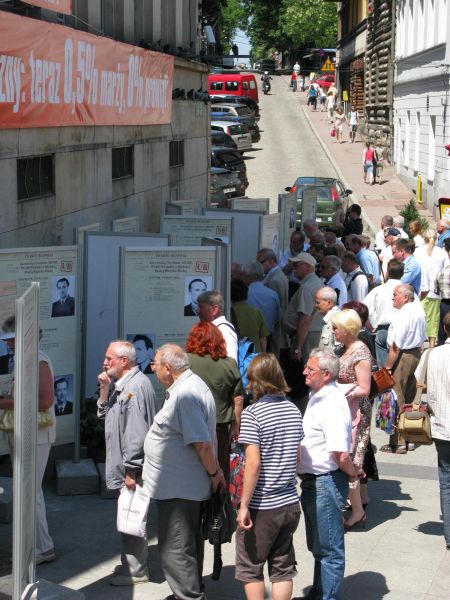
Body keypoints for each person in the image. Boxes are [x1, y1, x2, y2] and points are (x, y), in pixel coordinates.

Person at [143, 344, 224, 600]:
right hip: (180, 487)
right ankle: (189, 592)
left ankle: (189, 596)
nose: (153, 369)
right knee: (187, 545)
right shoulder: (188, 387)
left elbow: (202, 443)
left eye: (155, 364)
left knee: (176, 549)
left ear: (168, 368)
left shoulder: (186, 394)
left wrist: (214, 473)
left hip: (179, 490)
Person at [236, 354, 303, 600]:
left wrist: (244, 505)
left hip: (262, 505)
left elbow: (253, 463)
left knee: (250, 567)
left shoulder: (253, 414)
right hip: (289, 501)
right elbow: (297, 457)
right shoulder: (293, 409)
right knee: (282, 567)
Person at [298, 349, 358, 600]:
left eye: (310, 369)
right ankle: (319, 592)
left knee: (330, 550)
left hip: (326, 482)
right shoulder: (318, 395)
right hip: (314, 482)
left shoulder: (331, 402)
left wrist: (353, 474)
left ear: (326, 374)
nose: (304, 371)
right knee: (319, 548)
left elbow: (340, 454)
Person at [97, 340, 156, 585]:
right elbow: (105, 415)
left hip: (132, 469)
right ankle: (131, 565)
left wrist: (132, 470)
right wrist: (104, 390)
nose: (105, 362)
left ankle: (135, 571)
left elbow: (135, 434)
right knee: (128, 515)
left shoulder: (134, 388)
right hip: (128, 466)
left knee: (132, 516)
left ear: (124, 361)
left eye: (109, 358)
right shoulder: (123, 385)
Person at [0, 322, 57, 565]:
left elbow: (45, 401)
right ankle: (37, 546)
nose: (8, 343)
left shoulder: (38, 360)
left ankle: (43, 547)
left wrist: (4, 402)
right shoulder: (26, 359)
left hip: (36, 435)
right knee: (28, 491)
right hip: (26, 433)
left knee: (30, 491)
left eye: (12, 338)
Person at [330, 309, 372, 529]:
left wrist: (340, 389)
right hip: (344, 410)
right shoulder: (343, 349)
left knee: (352, 460)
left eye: (336, 328)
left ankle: (356, 511)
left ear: (346, 329)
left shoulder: (360, 353)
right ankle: (356, 510)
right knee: (346, 460)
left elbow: (365, 389)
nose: (333, 331)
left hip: (357, 414)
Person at [186, 322, 243, 482]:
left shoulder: (187, 362)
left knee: (194, 472)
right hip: (220, 428)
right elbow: (238, 399)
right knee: (220, 471)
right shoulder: (230, 364)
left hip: (191, 426)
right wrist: (235, 426)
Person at [415, 312, 450, 550]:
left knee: (446, 481)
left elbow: (419, 379)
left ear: (444, 329)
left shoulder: (431, 354)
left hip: (441, 426)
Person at [382, 284, 426, 454]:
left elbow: (396, 346)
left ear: (406, 297)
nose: (393, 298)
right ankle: (409, 439)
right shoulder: (418, 310)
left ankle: (399, 441)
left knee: (397, 398)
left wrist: (388, 367)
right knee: (408, 398)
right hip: (414, 355)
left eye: (396, 294)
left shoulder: (403, 314)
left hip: (403, 357)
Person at [282, 253, 323, 403]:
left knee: (304, 377)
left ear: (307, 266)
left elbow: (305, 319)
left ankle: (302, 409)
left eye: (296, 265)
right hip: (309, 335)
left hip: (306, 338)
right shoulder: (314, 283)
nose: (293, 268)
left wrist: (298, 348)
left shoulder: (307, 287)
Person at [363, 258, 405, 366]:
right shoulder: (409, 291)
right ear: (402, 274)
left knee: (383, 370)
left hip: (383, 330)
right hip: (401, 331)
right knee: (398, 367)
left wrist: (371, 328)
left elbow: (362, 310)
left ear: (387, 273)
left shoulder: (378, 290)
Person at [414, 229, 450, 347]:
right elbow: (447, 270)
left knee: (420, 319)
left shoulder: (418, 251)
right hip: (435, 291)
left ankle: (419, 345)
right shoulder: (442, 252)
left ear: (424, 238)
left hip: (420, 291)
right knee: (434, 320)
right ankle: (431, 345)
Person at [243, 261, 280, 343]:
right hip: (269, 337)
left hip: (249, 339)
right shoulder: (273, 294)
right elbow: (277, 319)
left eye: (244, 275)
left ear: (248, 276)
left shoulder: (244, 295)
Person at [197, 290, 238, 362]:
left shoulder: (224, 330)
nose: (198, 311)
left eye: (201, 307)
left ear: (214, 309)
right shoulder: (212, 328)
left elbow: (231, 362)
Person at [231, 279, 269, 353]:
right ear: (246, 293)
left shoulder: (228, 313)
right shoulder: (256, 312)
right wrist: (263, 354)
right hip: (255, 355)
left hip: (237, 355)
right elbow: (263, 338)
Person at [279, 230, 306, 299]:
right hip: (291, 285)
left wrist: (296, 257)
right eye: (291, 241)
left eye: (294, 242)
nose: (291, 244)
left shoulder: (308, 251)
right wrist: (295, 260)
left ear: (301, 242)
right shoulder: (287, 253)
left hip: (304, 285)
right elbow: (283, 272)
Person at [437, 264, 450, 345]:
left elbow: (436, 287)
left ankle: (441, 346)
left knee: (443, 328)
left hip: (443, 302)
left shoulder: (443, 270)